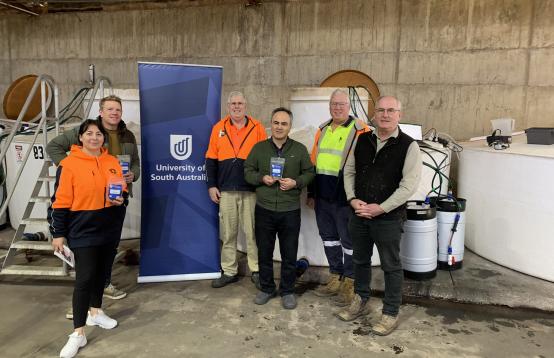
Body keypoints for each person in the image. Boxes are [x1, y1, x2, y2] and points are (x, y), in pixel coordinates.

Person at [339, 96, 421, 336]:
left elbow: (408, 186)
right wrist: (352, 199)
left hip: (388, 218)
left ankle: (390, 312)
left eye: (391, 110)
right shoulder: (362, 140)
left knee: (391, 265)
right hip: (360, 213)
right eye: (381, 110)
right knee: (360, 260)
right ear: (374, 114)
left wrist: (381, 208)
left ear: (399, 115)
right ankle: (361, 299)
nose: (385, 115)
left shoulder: (409, 146)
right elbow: (349, 171)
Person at [47, 95, 140, 304]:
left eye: (118, 109)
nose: (114, 113)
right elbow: (53, 147)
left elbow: (135, 163)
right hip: (89, 205)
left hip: (117, 200)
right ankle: (85, 297)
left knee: (110, 246)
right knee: (88, 253)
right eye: (110, 109)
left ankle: (104, 284)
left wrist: (133, 175)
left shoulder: (128, 136)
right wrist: (73, 168)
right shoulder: (89, 131)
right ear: (101, 111)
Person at [49, 119, 127, 358]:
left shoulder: (111, 161)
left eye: (99, 134)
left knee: (101, 273)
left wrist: (120, 198)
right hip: (82, 229)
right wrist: (58, 233)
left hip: (109, 226)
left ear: (103, 138)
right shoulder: (69, 164)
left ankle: (96, 312)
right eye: (89, 133)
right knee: (84, 279)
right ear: (80, 137)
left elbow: (120, 189)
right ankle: (78, 333)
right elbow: (59, 202)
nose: (95, 138)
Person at [244, 107, 314, 309]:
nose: (279, 127)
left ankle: (288, 290)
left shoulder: (299, 150)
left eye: (284, 123)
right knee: (264, 252)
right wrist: (261, 178)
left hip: (290, 210)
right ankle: (267, 288)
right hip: (264, 209)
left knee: (289, 253)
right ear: (271, 124)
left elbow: (310, 173)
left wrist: (296, 182)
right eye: (276, 122)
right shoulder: (259, 148)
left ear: (290, 126)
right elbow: (247, 171)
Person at [308, 89, 369, 306]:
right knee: (329, 238)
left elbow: (366, 168)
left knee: (349, 242)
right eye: (334, 104)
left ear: (349, 106)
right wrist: (311, 193)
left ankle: (350, 282)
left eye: (341, 104)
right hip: (323, 195)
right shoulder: (322, 130)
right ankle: (335, 276)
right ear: (329, 106)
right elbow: (314, 163)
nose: (337, 108)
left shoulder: (361, 130)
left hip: (346, 197)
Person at [205, 91, 267, 288]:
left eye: (240, 103)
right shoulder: (218, 128)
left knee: (252, 232)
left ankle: (256, 270)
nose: (237, 107)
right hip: (227, 190)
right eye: (233, 104)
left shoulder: (257, 127)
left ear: (245, 105)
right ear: (228, 106)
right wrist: (211, 185)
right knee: (228, 233)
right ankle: (229, 271)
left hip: (251, 189)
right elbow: (211, 159)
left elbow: (264, 159)